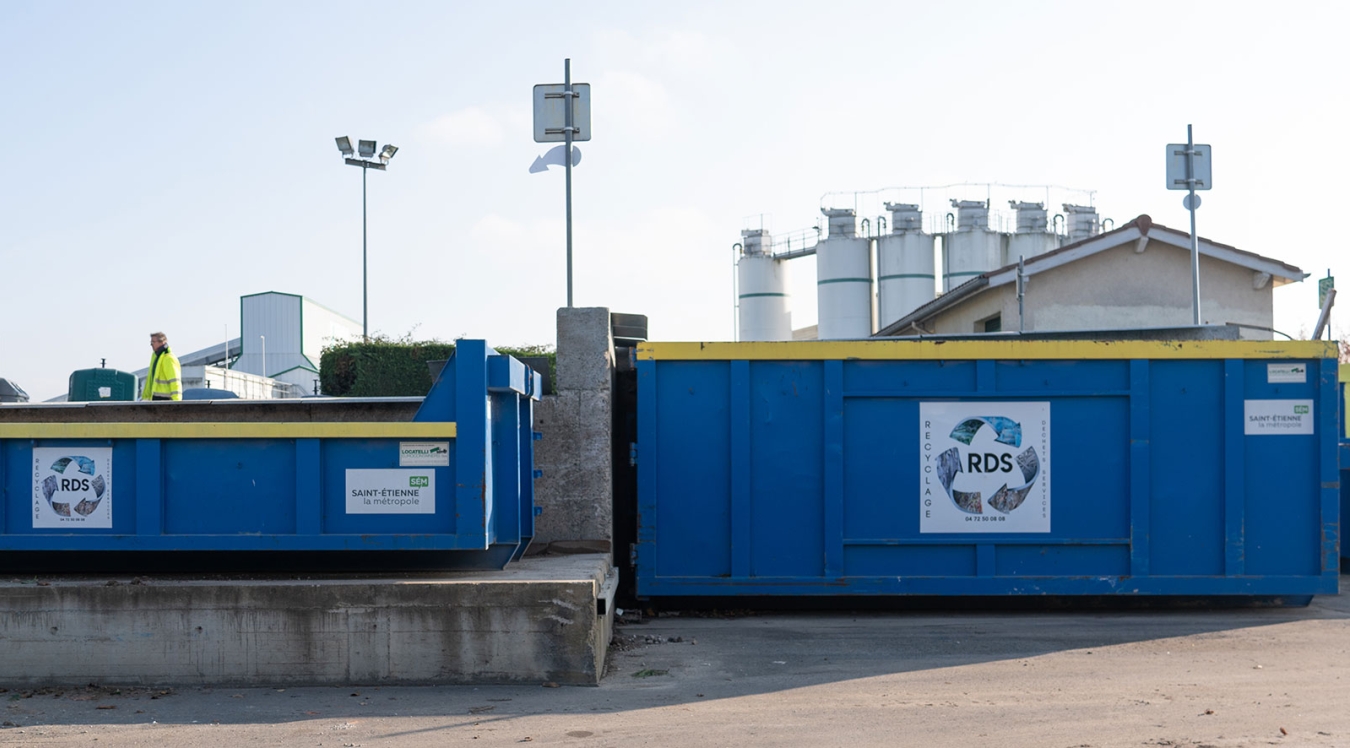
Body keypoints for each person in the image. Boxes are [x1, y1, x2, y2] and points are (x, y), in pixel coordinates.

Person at [142, 331, 182, 401]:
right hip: (155, 398)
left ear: (162, 342)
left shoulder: (168, 358)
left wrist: (177, 401)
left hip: (166, 399)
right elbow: (151, 380)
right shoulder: (156, 356)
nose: (151, 345)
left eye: (153, 342)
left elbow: (175, 381)